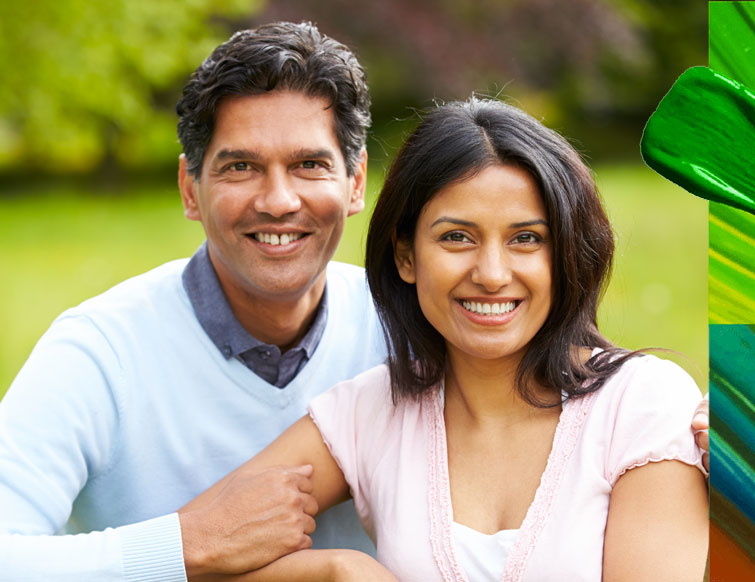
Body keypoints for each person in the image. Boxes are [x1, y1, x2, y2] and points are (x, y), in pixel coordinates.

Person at [0, 22, 709, 582]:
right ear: (190, 188)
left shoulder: (429, 325)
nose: (278, 200)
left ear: (354, 181)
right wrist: (186, 549)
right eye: (241, 166)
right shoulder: (101, 351)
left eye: (309, 164)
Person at [182, 97, 709, 581]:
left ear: (565, 253)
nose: (492, 273)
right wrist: (336, 572)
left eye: (527, 239)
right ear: (407, 256)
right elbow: (189, 552)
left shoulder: (643, 405)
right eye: (457, 237)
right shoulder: (369, 414)